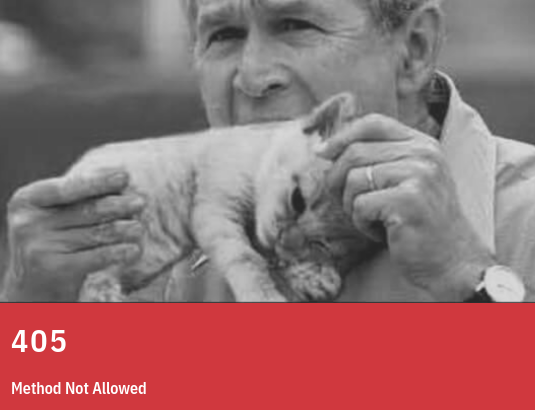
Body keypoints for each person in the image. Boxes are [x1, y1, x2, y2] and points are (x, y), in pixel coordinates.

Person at [2, 0, 534, 302]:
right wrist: (36, 313)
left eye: (295, 25)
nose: (252, 77)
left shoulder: (523, 217)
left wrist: (470, 281)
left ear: (413, 51)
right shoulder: (141, 251)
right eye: (224, 35)